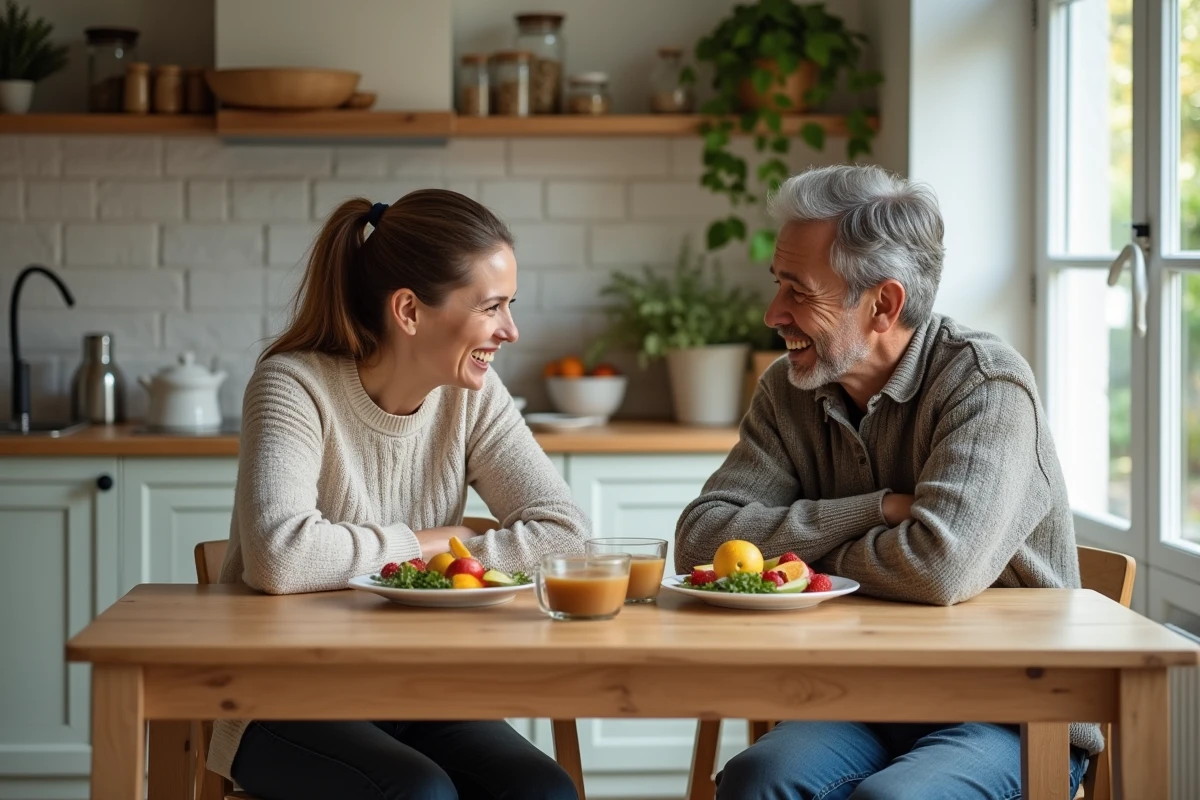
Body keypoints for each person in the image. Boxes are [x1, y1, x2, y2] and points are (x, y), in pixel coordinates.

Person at [675, 164, 1098, 800]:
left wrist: (796, 567)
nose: (773, 313)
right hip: (861, 696)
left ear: (884, 304)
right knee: (754, 780)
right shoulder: (787, 390)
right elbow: (701, 541)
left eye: (799, 291)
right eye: (777, 284)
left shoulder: (987, 385)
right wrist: (879, 509)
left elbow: (936, 567)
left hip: (1013, 709)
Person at [210, 189, 588, 800]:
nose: (511, 331)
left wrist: (445, 558)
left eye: (509, 305)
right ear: (409, 310)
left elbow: (566, 535)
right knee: (420, 793)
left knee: (544, 792)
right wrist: (438, 543)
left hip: (422, 691)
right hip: (281, 697)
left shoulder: (473, 397)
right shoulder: (293, 386)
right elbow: (281, 557)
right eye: (491, 306)